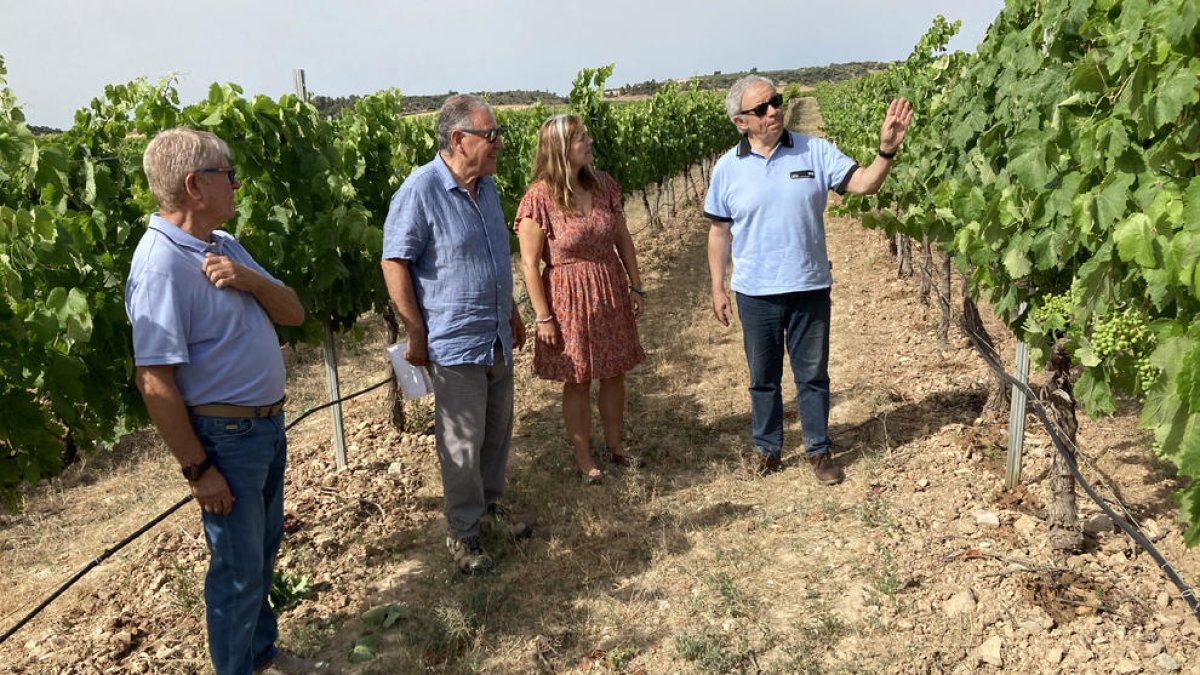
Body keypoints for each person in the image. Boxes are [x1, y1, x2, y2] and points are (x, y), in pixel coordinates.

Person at [126, 129, 322, 675]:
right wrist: (199, 468)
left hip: (264, 429)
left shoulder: (223, 245)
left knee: (258, 557)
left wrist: (249, 279)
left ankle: (261, 656)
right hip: (226, 441)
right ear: (195, 186)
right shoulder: (160, 266)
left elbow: (294, 312)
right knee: (236, 572)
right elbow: (155, 382)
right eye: (227, 174)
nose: (237, 183)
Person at [705, 76, 912, 484]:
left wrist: (886, 149)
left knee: (812, 374)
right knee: (763, 378)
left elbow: (865, 184)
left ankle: (818, 450)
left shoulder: (814, 150)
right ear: (740, 122)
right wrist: (716, 286)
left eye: (776, 102)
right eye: (761, 108)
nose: (774, 111)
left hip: (810, 285)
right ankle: (767, 449)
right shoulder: (727, 168)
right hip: (755, 291)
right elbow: (718, 231)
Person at [380, 94, 529, 575]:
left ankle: (490, 508)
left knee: (496, 432)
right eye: (491, 136)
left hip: (494, 334)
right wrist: (415, 331)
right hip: (454, 339)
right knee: (461, 443)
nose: (499, 144)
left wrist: (511, 313)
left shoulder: (486, 189)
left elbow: (493, 259)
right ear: (458, 139)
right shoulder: (420, 190)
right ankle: (463, 534)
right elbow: (394, 262)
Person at [515, 114, 646, 485]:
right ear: (560, 150)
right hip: (567, 297)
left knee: (614, 370)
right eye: (580, 139)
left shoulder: (603, 185)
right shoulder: (539, 198)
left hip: (608, 286)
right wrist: (543, 316)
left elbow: (622, 238)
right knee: (577, 378)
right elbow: (528, 263)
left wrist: (635, 285)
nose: (589, 142)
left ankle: (616, 446)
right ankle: (585, 458)